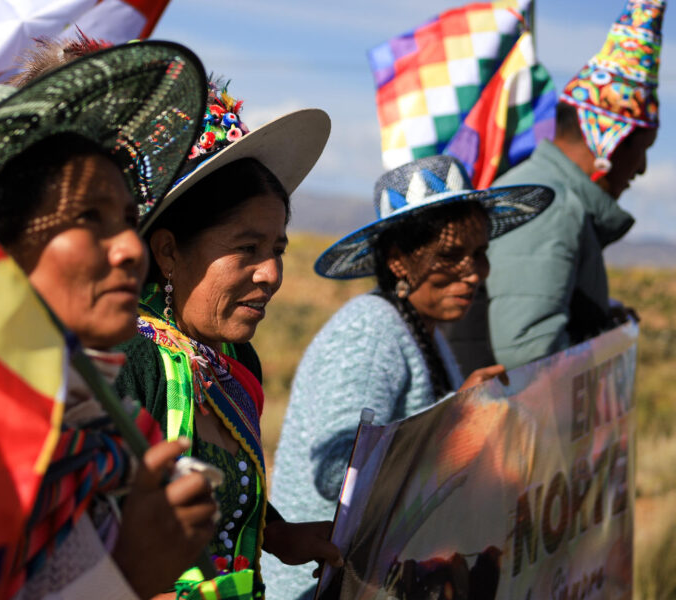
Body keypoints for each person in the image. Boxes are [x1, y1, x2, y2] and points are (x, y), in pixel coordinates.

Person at [0, 41, 219, 599]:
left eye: (130, 219)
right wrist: (127, 576)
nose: (131, 248)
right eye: (88, 217)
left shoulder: (94, 430)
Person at [265, 156, 553, 600]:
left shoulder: (426, 335)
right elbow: (339, 472)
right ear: (399, 260)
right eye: (451, 255)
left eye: (479, 254)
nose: (475, 272)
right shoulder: (372, 329)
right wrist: (459, 423)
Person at [115, 82, 343, 599]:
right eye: (246, 248)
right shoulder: (129, 362)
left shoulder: (233, 361)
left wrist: (277, 532)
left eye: (277, 248)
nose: (271, 274)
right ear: (169, 251)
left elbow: (222, 500)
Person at [445, 0, 663, 371]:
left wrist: (600, 323)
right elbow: (531, 358)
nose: (641, 169)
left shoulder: (549, 194)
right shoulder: (549, 207)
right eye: (639, 152)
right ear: (608, 143)